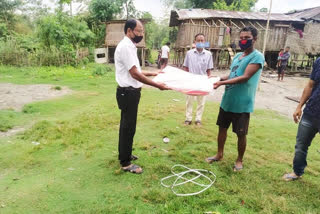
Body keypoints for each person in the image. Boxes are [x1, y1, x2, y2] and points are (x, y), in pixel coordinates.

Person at [205, 26, 265, 171]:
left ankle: (239, 160)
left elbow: (244, 77)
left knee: (241, 133)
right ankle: (219, 154)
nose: (243, 40)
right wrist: (217, 78)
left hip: (242, 103)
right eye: (242, 38)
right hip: (228, 100)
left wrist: (221, 83)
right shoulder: (238, 56)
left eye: (247, 38)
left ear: (254, 39)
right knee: (222, 129)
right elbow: (232, 75)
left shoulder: (257, 57)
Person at [115, 19, 169, 174]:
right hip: (128, 92)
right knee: (127, 126)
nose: (141, 34)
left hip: (130, 92)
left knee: (129, 126)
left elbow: (136, 70)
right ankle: (125, 163)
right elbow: (135, 74)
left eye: (142, 31)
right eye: (138, 31)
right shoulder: (126, 47)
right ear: (129, 31)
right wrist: (157, 85)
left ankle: (126, 154)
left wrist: (154, 72)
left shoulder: (130, 46)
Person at [283, 57, 320, 181]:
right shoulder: (319, 61)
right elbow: (310, 85)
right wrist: (299, 106)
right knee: (300, 146)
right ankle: (297, 172)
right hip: (311, 112)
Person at [183, 33, 214, 126]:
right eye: (198, 40)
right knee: (189, 101)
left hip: (203, 80)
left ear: (205, 42)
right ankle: (188, 119)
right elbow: (186, 67)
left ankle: (198, 119)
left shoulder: (208, 54)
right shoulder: (189, 53)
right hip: (192, 80)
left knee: (201, 102)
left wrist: (208, 80)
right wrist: (187, 78)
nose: (200, 42)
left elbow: (209, 69)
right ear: (194, 42)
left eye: (202, 40)